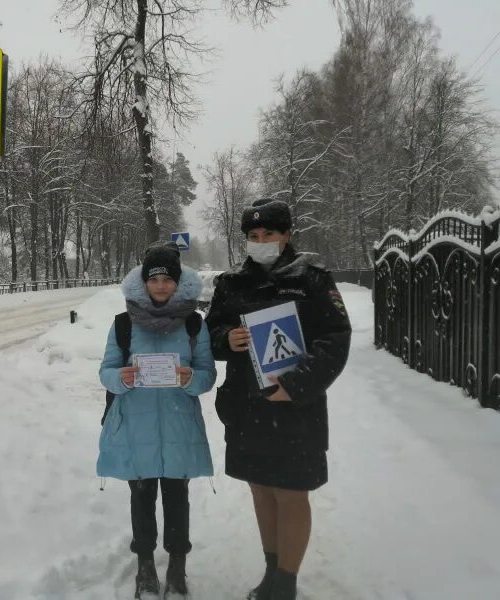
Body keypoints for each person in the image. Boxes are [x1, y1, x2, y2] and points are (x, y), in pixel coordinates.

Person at [205, 199, 351, 600]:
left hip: (294, 409)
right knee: (260, 489)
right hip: (246, 407)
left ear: (286, 235)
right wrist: (226, 340)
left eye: (268, 234)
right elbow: (211, 332)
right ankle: (271, 573)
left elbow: (336, 338)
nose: (261, 242)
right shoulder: (231, 283)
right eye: (253, 236)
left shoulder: (313, 278)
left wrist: (299, 384)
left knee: (290, 493)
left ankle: (286, 583)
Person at [98, 241, 217, 599]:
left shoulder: (194, 325)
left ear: (178, 282)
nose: (162, 285)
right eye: (155, 279)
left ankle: (177, 569)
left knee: (177, 498)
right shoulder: (123, 324)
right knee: (141, 498)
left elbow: (207, 373)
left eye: (168, 278)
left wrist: (190, 379)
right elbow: (105, 371)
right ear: (144, 282)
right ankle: (145, 568)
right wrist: (121, 378)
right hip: (137, 425)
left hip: (179, 424)